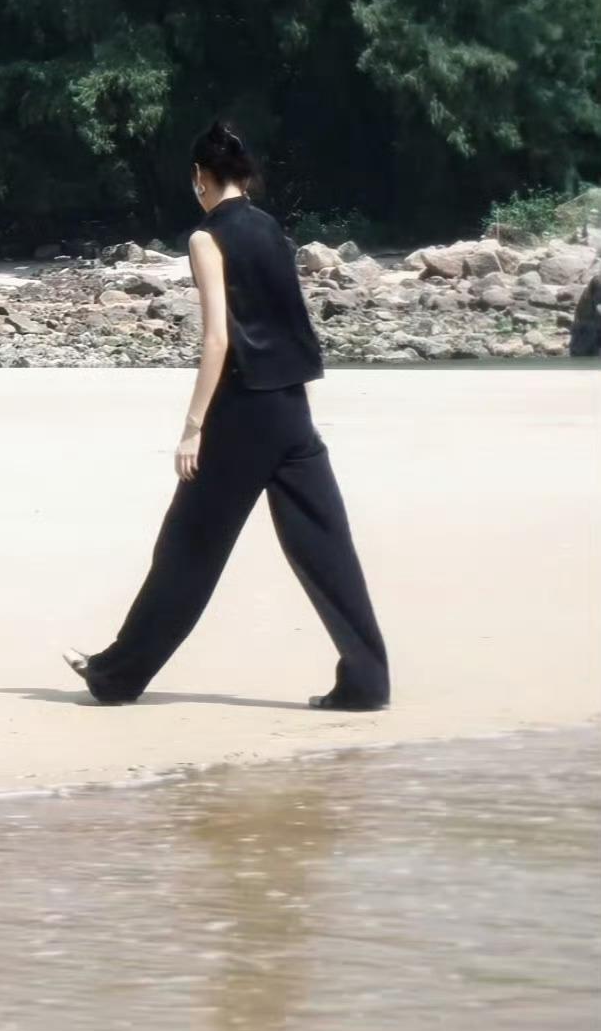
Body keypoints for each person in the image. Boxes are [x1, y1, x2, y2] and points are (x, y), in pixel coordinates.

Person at [66, 120, 390, 712]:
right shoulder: (271, 229)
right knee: (325, 545)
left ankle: (116, 675)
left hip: (241, 413)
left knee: (188, 546)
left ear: (200, 177)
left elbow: (218, 337)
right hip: (292, 407)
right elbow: (288, 323)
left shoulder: (206, 237)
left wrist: (193, 427)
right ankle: (367, 681)